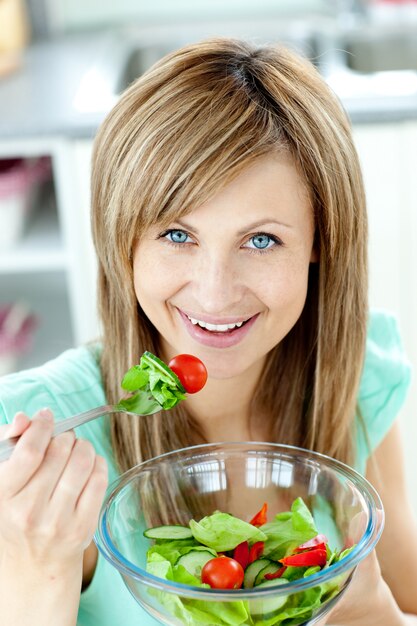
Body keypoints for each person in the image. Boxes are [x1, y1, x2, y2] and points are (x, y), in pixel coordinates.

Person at [0, 37, 416, 626]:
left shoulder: (358, 378)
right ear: (124, 241)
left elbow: (404, 595)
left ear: (322, 241)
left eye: (261, 240)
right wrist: (35, 566)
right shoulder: (34, 453)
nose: (215, 293)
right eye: (177, 235)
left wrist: (374, 612)